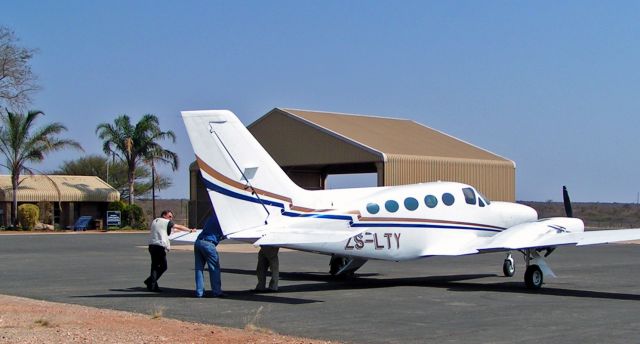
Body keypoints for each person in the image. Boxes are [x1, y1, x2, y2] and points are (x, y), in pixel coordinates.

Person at [144, 210, 194, 292]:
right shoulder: (166, 221)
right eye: (169, 216)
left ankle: (152, 285)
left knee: (154, 266)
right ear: (164, 215)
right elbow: (178, 226)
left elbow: (170, 231)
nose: (171, 218)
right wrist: (190, 230)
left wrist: (179, 231)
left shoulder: (155, 221)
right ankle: (150, 281)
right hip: (159, 246)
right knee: (163, 266)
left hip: (151, 245)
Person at [194, 213, 226, 298]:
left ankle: (199, 292)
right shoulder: (223, 219)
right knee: (214, 268)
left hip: (198, 241)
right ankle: (217, 292)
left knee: (199, 268)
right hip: (209, 243)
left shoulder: (211, 217)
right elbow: (225, 233)